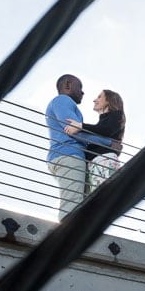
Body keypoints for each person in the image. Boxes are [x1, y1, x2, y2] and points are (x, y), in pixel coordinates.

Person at [45, 73, 86, 219]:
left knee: (78, 203)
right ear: (68, 85)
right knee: (72, 203)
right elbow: (74, 129)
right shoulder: (62, 100)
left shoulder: (62, 103)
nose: (83, 92)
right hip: (68, 155)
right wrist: (108, 143)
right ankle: (68, 238)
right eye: (80, 86)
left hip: (64, 155)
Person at [67, 89, 125, 194]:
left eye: (99, 97)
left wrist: (81, 126)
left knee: (107, 196)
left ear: (109, 100)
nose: (95, 100)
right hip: (95, 164)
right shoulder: (102, 121)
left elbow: (106, 129)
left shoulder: (117, 115)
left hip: (105, 161)